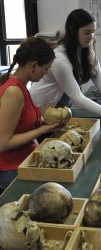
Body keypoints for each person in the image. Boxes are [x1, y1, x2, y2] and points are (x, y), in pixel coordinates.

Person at [29, 8, 101, 129]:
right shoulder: (60, 58)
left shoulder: (87, 51)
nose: (91, 37)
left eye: (93, 32)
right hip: (39, 110)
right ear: (73, 31)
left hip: (59, 109)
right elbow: (77, 97)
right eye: (86, 32)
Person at [0, 37, 59, 192]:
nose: (45, 74)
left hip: (27, 158)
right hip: (11, 167)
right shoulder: (13, 92)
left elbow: (21, 125)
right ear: (33, 65)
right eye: (46, 69)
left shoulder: (22, 87)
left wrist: (41, 123)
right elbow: (3, 143)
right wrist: (41, 131)